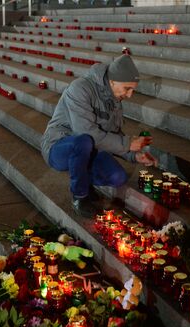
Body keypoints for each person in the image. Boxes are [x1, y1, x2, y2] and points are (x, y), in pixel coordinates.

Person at [41, 55, 157, 217]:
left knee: (118, 177)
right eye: (127, 88)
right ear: (112, 81)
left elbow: (113, 135)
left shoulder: (114, 98)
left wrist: (135, 155)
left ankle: (82, 174)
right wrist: (128, 143)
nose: (130, 95)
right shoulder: (80, 88)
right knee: (83, 142)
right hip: (59, 145)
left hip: (90, 149)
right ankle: (80, 196)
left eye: (132, 90)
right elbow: (85, 132)